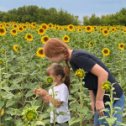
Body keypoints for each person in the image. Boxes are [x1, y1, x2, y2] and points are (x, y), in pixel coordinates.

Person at [43, 38, 125, 126]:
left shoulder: (77, 58)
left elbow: (103, 74)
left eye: (50, 58)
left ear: (56, 53)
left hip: (112, 98)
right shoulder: (72, 60)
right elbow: (89, 80)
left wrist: (99, 100)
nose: (51, 61)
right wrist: (93, 101)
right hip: (102, 97)